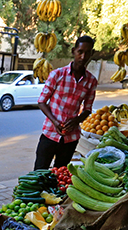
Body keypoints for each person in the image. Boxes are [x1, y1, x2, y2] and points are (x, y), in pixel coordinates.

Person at [34, 35, 98, 170]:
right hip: (50, 133)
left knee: (61, 174)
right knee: (39, 172)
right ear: (74, 51)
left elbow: (87, 109)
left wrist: (76, 121)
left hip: (71, 138)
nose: (83, 56)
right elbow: (42, 102)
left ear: (92, 54)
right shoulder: (57, 75)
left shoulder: (91, 81)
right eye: (80, 52)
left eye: (87, 53)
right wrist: (55, 121)